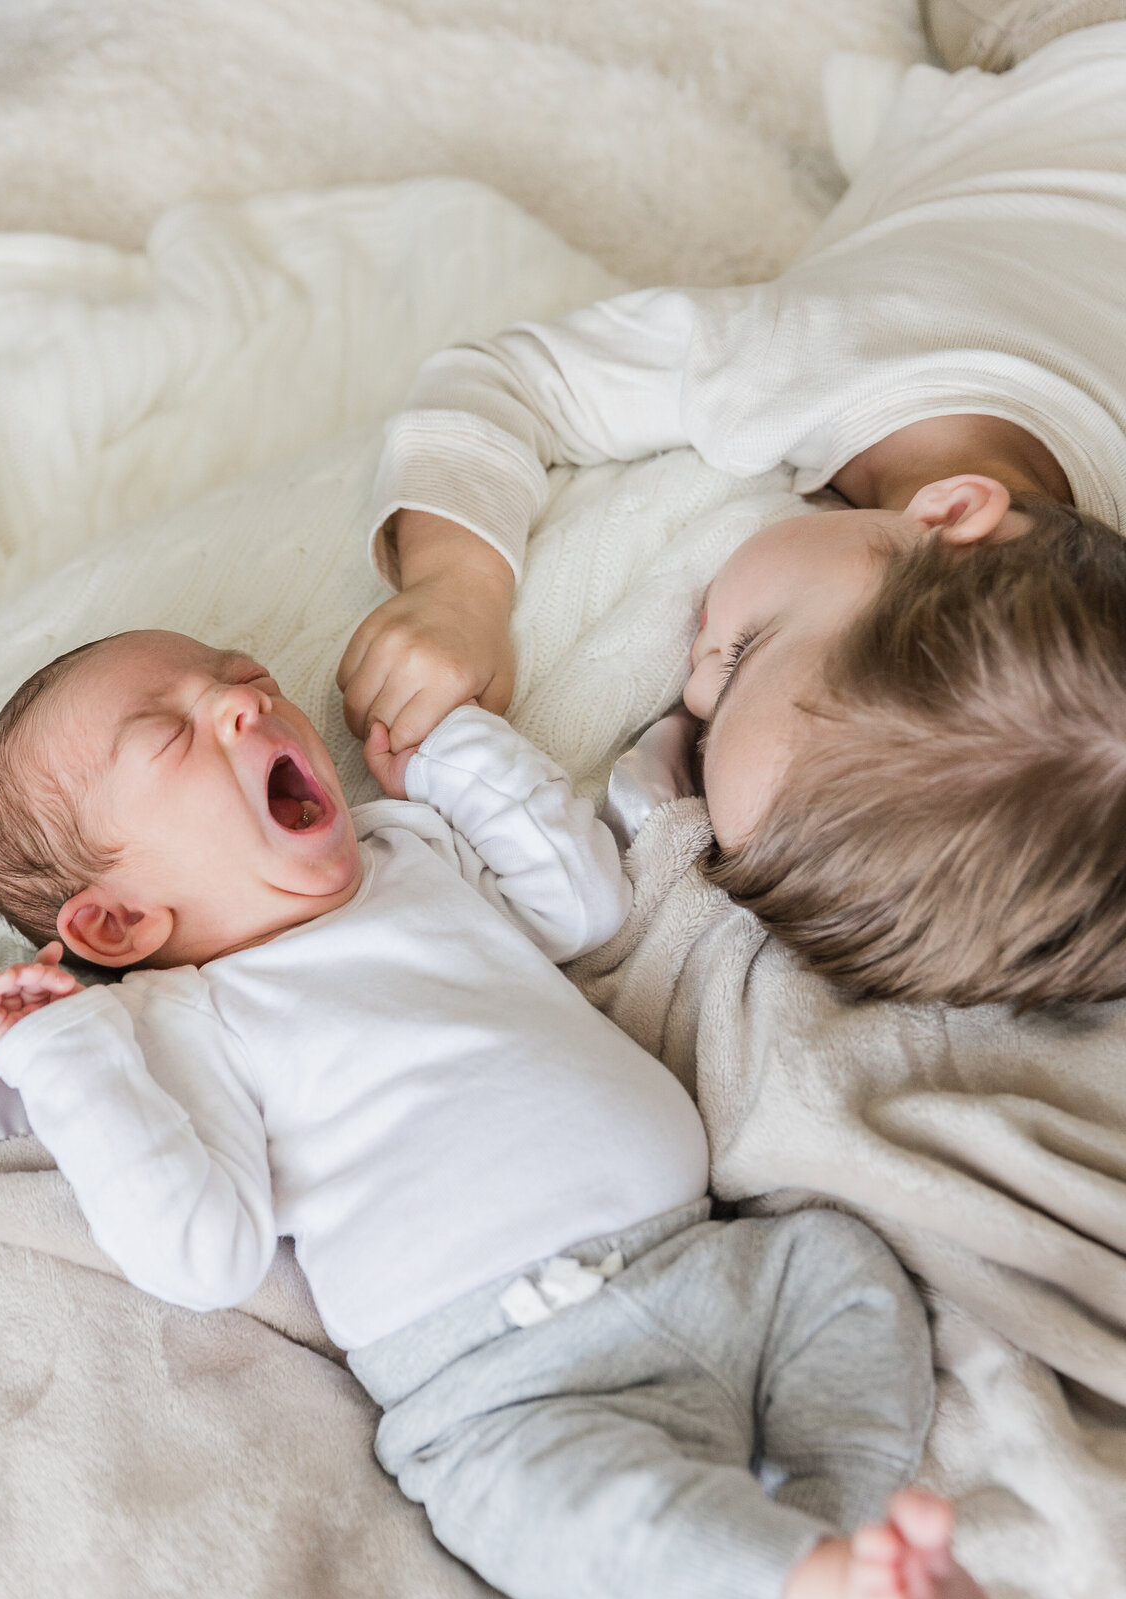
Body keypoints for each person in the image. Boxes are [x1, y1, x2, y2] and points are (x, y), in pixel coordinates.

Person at [0, 629, 993, 1599]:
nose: (249, 706)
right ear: (120, 921)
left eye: (243, 679)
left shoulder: (411, 848)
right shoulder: (174, 1023)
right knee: (549, 1515)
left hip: (713, 1265)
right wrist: (70, 1064)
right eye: (171, 735)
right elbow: (200, 1254)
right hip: (502, 1386)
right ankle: (797, 1589)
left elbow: (584, 905)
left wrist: (461, 752)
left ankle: (840, 1531)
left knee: (841, 1269)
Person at [338, 10, 1126, 1009]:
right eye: (745, 652)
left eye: (702, 731)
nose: (695, 687)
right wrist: (458, 586)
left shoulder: (1057, 584)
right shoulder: (806, 361)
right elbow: (505, 379)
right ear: (948, 516)